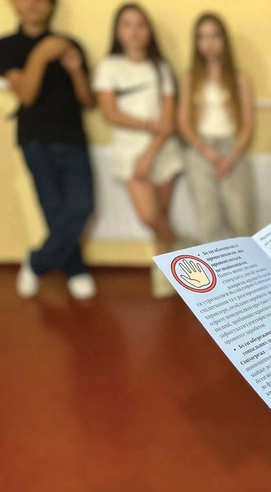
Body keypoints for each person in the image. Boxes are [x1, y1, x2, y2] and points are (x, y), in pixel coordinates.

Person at [0, 0, 96, 300]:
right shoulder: (7, 46)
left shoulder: (70, 44)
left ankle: (37, 262)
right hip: (35, 141)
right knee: (54, 213)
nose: (33, 4)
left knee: (81, 208)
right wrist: (41, 56)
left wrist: (76, 69)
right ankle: (75, 269)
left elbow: (88, 100)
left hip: (73, 139)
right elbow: (26, 95)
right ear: (14, 4)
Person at [93, 3, 183, 298]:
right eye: (127, 25)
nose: (134, 31)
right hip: (129, 154)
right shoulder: (109, 67)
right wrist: (148, 126)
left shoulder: (162, 68)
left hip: (163, 151)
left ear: (149, 31)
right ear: (118, 31)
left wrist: (151, 150)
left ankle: (164, 269)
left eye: (140, 25)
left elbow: (168, 121)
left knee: (163, 212)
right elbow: (109, 112)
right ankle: (178, 246)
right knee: (149, 216)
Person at [177, 12, 255, 244]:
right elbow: (184, 122)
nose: (209, 43)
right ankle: (214, 277)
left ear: (224, 40)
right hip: (201, 151)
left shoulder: (241, 78)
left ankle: (248, 274)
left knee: (241, 219)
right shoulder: (189, 78)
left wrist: (230, 158)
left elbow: (248, 124)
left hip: (233, 149)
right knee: (208, 220)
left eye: (215, 36)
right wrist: (205, 150)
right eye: (202, 37)